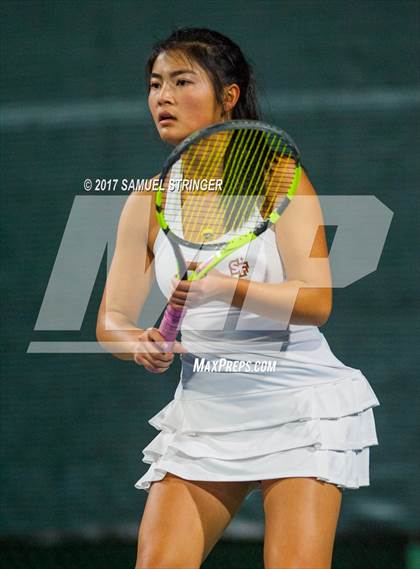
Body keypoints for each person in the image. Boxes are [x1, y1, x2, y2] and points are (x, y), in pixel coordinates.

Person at [96, 28, 380, 569]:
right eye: (156, 84)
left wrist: (226, 287)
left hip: (298, 407)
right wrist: (138, 344)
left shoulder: (282, 181)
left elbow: (317, 301)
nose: (164, 97)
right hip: (204, 414)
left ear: (229, 95)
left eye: (183, 81)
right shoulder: (147, 201)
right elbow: (111, 319)